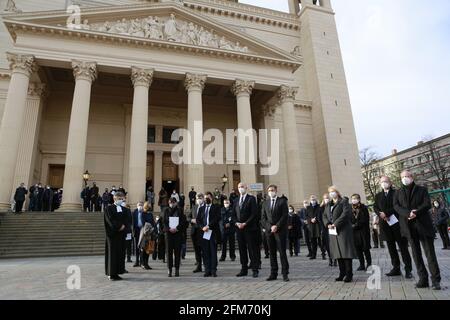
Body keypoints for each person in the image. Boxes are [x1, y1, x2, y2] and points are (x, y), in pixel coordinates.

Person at [394, 170, 441, 290]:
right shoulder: (398, 192)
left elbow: (426, 204)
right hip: (408, 227)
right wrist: (407, 213)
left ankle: (436, 280)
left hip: (423, 225)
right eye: (403, 176)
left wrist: (416, 212)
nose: (405, 178)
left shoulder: (422, 189)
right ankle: (423, 279)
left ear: (412, 177)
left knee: (430, 254)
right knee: (416, 254)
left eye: (407, 176)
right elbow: (396, 206)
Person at [374, 176, 412, 278]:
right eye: (382, 182)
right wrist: (380, 214)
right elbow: (375, 207)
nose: (384, 183)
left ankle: (408, 269)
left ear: (390, 182)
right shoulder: (378, 195)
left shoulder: (397, 192)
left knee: (403, 247)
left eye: (386, 181)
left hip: (397, 224)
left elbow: (398, 206)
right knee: (391, 248)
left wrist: (386, 213)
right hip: (385, 224)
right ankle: (396, 268)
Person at [322, 186, 357, 283]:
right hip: (333, 231)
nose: (331, 193)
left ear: (337, 192)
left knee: (346, 252)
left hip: (343, 230)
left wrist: (335, 224)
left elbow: (345, 214)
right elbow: (324, 215)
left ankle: (349, 274)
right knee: (338, 253)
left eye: (333, 191)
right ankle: (342, 273)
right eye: (330, 192)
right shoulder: (328, 204)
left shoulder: (343, 202)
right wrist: (328, 224)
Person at [261, 185, 290, 282]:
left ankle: (285, 273)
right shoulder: (265, 203)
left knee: (282, 252)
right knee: (272, 253)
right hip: (269, 232)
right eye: (269, 190)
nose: (270, 192)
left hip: (280, 231)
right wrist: (270, 227)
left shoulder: (282, 201)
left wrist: (276, 226)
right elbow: (263, 218)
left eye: (272, 190)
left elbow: (284, 215)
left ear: (276, 191)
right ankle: (273, 273)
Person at [232, 182, 259, 278]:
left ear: (246, 188)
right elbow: (233, 214)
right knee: (242, 250)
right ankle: (244, 269)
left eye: (242, 187)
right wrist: (236, 223)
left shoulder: (251, 199)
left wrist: (245, 223)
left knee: (252, 249)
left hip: (249, 228)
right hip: (239, 229)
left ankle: (255, 269)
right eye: (239, 187)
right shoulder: (235, 200)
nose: (240, 188)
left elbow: (254, 213)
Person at [104, 192, 130, 281]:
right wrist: (119, 226)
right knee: (112, 254)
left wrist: (124, 226)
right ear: (115, 199)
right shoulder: (109, 208)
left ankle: (118, 272)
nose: (121, 200)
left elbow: (128, 220)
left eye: (122, 198)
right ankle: (111, 273)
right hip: (112, 235)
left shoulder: (125, 209)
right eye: (119, 198)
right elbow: (110, 220)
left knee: (120, 254)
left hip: (121, 235)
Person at [197, 192, 221, 277]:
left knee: (213, 251)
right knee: (205, 252)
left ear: (211, 198)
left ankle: (213, 270)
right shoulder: (201, 208)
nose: (206, 198)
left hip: (212, 232)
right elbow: (198, 220)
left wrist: (209, 226)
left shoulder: (216, 207)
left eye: (208, 197)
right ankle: (207, 269)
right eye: (205, 197)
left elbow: (217, 218)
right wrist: (202, 227)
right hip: (204, 232)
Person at [162, 197, 187, 277]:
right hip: (168, 234)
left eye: (173, 202)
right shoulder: (166, 210)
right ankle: (169, 269)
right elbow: (163, 222)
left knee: (177, 252)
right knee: (169, 252)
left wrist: (177, 228)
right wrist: (169, 229)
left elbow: (183, 222)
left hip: (177, 234)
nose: (171, 204)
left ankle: (177, 269)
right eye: (170, 202)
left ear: (176, 202)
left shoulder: (180, 210)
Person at [350, 194, 372, 271]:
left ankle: (369, 264)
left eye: (355, 198)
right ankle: (361, 264)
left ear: (359, 199)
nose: (354, 200)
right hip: (354, 233)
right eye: (352, 198)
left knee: (365, 249)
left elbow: (365, 219)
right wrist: (351, 225)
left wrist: (355, 225)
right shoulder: (350, 208)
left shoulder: (363, 208)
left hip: (363, 231)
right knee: (358, 249)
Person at [135, 201, 155, 270]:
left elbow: (153, 222)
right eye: (149, 205)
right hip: (144, 233)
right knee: (143, 249)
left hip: (150, 233)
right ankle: (143, 263)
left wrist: (153, 228)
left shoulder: (150, 214)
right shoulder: (142, 213)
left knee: (148, 249)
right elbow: (143, 223)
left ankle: (147, 263)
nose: (150, 206)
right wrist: (150, 226)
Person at [188, 193, 204, 272]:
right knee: (196, 249)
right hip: (194, 231)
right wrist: (191, 220)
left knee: (204, 249)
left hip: (203, 231)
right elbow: (188, 217)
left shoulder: (205, 207)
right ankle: (198, 265)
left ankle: (207, 265)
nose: (198, 199)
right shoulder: (194, 207)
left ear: (203, 198)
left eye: (200, 197)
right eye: (197, 198)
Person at [319, 193, 334, 266]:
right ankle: (330, 259)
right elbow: (320, 219)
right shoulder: (321, 208)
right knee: (327, 245)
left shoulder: (333, 205)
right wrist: (325, 225)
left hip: (333, 227)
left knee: (333, 244)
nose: (326, 199)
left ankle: (335, 259)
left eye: (327, 198)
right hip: (325, 228)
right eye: (325, 198)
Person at [306, 195, 321, 260]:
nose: (313, 200)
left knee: (320, 241)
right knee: (313, 242)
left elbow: (320, 214)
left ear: (316, 199)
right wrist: (310, 220)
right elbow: (307, 216)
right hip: (311, 226)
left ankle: (323, 253)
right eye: (311, 199)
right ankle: (313, 255)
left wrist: (316, 219)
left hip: (318, 225)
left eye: (314, 199)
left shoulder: (319, 206)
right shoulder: (308, 207)